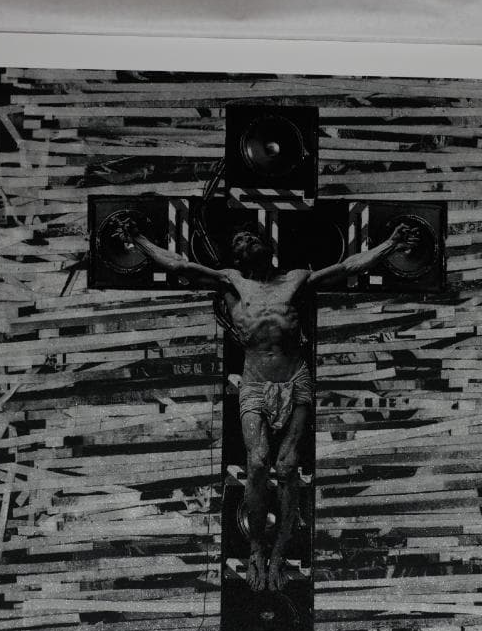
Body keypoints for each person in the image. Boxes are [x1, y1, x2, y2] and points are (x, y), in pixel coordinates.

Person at [116, 215, 416, 592]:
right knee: (257, 463)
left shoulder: (296, 279)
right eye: (239, 240)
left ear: (268, 246)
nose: (246, 241)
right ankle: (257, 549)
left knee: (288, 467)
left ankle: (280, 554)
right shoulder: (232, 281)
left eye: (251, 237)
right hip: (256, 382)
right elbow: (180, 265)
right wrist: (139, 239)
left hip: (295, 377)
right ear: (236, 257)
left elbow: (347, 267)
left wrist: (390, 244)